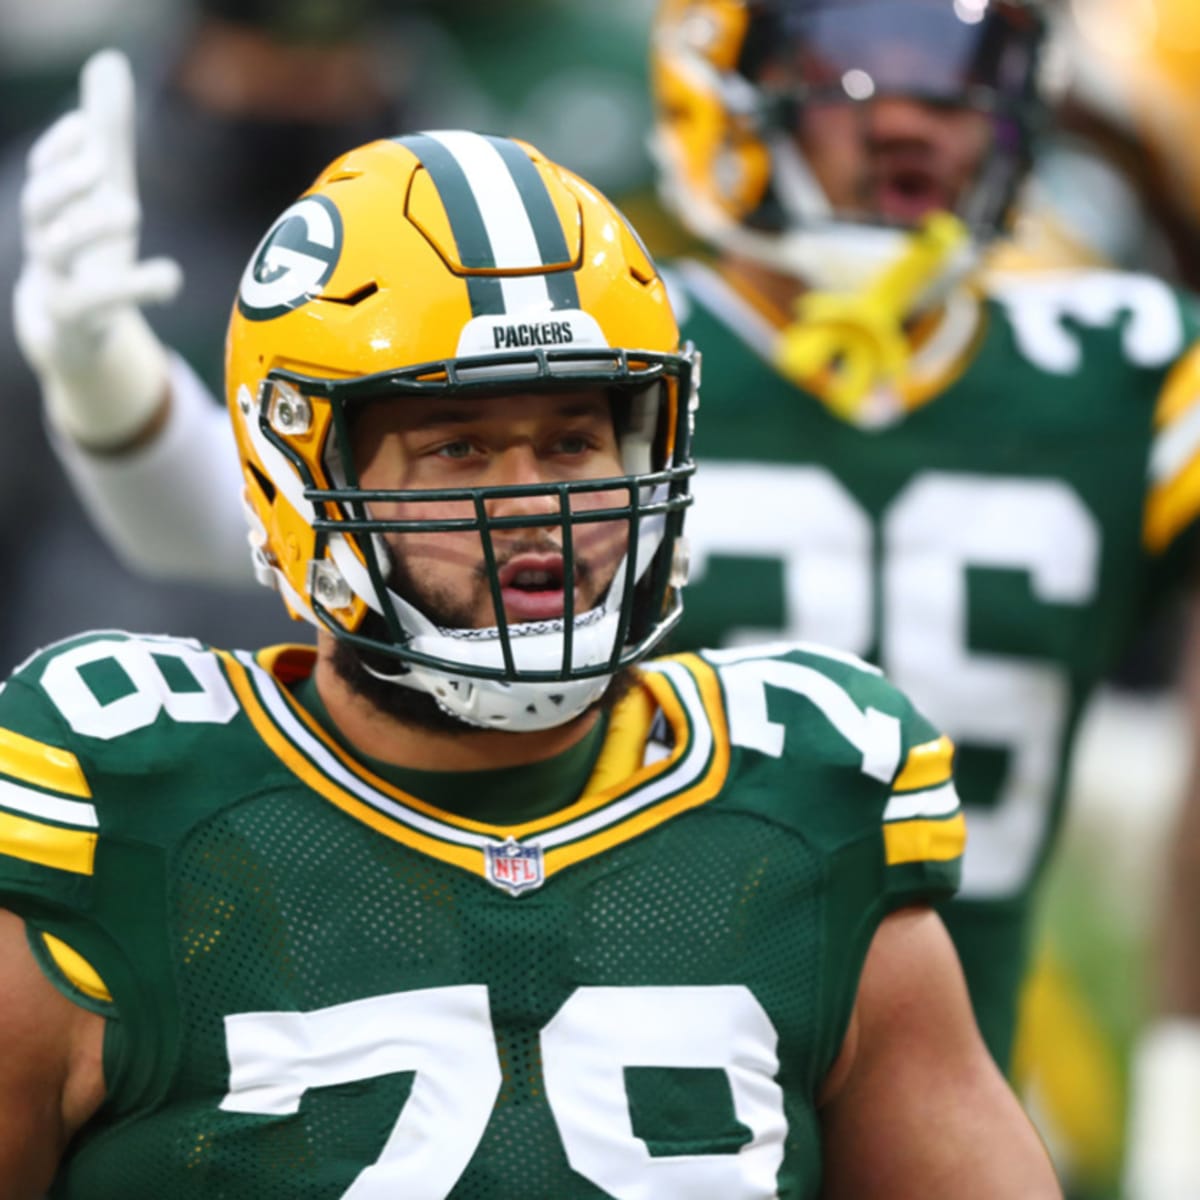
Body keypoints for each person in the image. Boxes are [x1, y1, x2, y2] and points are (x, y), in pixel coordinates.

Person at [0, 131, 1059, 1197]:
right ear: (297, 474)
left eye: (570, 444)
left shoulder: (802, 804)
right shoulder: (134, 817)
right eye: (456, 448)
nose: (531, 508)